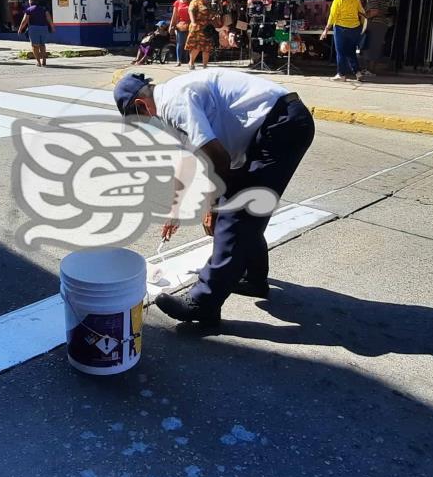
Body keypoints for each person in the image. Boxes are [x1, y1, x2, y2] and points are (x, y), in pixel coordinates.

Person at [114, 70, 315, 326]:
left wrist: (214, 206)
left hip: (281, 126)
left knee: (237, 212)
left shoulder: (175, 102)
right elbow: (188, 162)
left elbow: (218, 159)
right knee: (242, 212)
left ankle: (203, 302)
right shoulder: (169, 104)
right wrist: (175, 211)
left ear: (141, 105)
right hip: (277, 125)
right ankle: (253, 279)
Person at [321, 0, 367, 81]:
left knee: (341, 52)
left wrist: (326, 29)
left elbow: (332, 16)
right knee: (351, 51)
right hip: (355, 28)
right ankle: (358, 73)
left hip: (341, 28)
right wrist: (362, 27)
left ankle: (341, 74)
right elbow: (362, 12)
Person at [185, 0, 218, 70]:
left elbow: (211, 14)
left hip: (207, 29)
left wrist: (215, 19)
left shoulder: (209, 2)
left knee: (206, 48)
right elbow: (190, 11)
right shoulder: (196, 1)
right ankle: (191, 63)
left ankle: (205, 66)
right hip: (197, 27)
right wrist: (193, 22)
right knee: (196, 47)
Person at [17, 0, 54, 67]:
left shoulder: (29, 10)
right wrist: (52, 27)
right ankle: (44, 61)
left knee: (34, 46)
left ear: (30, 2)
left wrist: (20, 29)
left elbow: (25, 20)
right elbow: (49, 18)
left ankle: (38, 62)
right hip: (44, 28)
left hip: (33, 28)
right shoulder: (44, 9)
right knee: (42, 45)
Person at [361, 0, 390, 72]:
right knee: (374, 46)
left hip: (375, 24)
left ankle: (370, 70)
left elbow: (374, 11)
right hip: (381, 24)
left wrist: (364, 16)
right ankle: (369, 69)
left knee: (371, 47)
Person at [169, 0, 192, 64]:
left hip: (190, 25)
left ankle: (187, 60)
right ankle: (178, 60)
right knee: (180, 43)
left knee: (188, 43)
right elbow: (174, 16)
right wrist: (171, 25)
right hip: (180, 25)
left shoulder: (190, 2)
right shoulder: (177, 3)